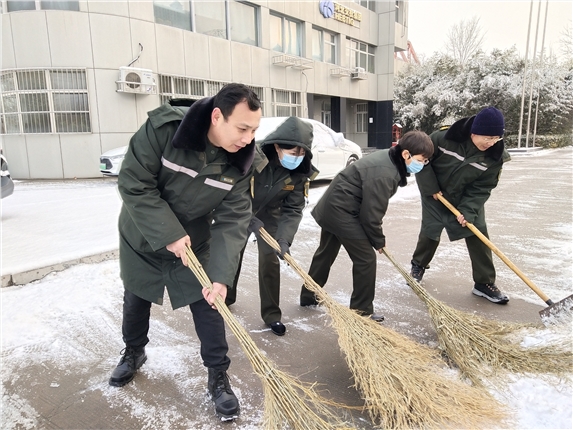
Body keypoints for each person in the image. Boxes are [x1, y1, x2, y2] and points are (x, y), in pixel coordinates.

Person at [109, 83, 262, 422]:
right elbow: (134, 182)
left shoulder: (241, 161)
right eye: (242, 128)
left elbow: (233, 218)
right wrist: (168, 233)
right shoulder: (165, 131)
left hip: (194, 241)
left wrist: (222, 277)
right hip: (143, 234)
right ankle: (134, 351)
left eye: (254, 129)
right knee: (136, 297)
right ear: (217, 117)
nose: (248, 138)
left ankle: (218, 375)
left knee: (209, 304)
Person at [300, 131, 434, 320]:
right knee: (365, 259)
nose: (423, 164)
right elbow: (371, 214)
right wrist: (378, 241)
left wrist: (376, 237)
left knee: (326, 252)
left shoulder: (389, 159)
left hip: (335, 205)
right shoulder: (385, 173)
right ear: (406, 154)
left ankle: (309, 296)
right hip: (341, 210)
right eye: (422, 159)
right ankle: (362, 310)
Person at [225, 117, 318, 336]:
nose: (297, 158)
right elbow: (233, 191)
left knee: (270, 259)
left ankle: (272, 315)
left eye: (301, 153)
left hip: (269, 214)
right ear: (277, 146)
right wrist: (248, 217)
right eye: (293, 153)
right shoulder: (252, 157)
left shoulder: (299, 171)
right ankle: (226, 297)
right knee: (232, 253)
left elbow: (293, 209)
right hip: (241, 209)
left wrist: (284, 239)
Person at [409, 106, 511, 304]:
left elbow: (483, 187)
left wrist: (468, 210)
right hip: (435, 193)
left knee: (477, 232)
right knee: (431, 230)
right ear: (474, 131)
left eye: (496, 138)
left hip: (466, 198)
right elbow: (421, 159)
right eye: (487, 137)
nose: (491, 143)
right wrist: (430, 187)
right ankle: (418, 265)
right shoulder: (444, 137)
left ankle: (484, 283)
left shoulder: (495, 156)